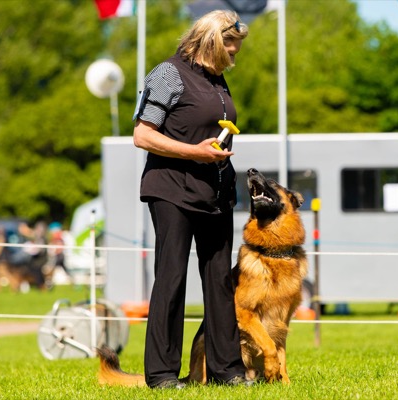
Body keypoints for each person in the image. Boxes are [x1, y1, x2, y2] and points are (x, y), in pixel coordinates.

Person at [132, 10, 250, 389]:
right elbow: (143, 135)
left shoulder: (218, 81)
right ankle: (162, 375)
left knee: (219, 280)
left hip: (214, 192)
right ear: (213, 40)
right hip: (172, 189)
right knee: (172, 277)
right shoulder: (168, 73)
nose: (235, 55)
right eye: (231, 47)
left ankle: (227, 371)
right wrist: (193, 152)